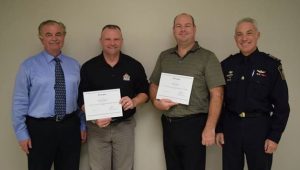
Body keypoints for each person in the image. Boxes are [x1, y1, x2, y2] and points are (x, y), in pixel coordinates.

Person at [149, 13, 225, 170]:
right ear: (173, 30)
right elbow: (153, 85)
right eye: (178, 26)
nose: (183, 29)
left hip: (195, 125)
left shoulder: (208, 57)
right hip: (169, 124)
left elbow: (217, 94)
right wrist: (157, 103)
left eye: (187, 25)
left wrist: (210, 127)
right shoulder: (165, 56)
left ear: (194, 29)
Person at [216, 17, 290, 170]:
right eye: (239, 34)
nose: (244, 38)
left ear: (258, 35)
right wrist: (219, 129)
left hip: (260, 130)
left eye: (249, 33)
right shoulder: (226, 65)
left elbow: (282, 106)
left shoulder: (271, 65)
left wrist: (274, 136)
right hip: (231, 129)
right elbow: (220, 101)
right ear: (235, 38)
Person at [12, 20, 86, 170]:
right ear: (41, 38)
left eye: (58, 34)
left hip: (70, 127)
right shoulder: (28, 66)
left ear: (64, 36)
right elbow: (19, 101)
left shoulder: (75, 65)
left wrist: (83, 125)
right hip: (39, 129)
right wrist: (21, 134)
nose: (54, 38)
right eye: (48, 34)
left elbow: (80, 98)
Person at [78, 24, 149, 170]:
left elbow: (145, 93)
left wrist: (134, 101)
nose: (112, 43)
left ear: (121, 41)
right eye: (108, 39)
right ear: (101, 41)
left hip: (124, 126)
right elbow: (80, 99)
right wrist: (94, 116)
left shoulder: (134, 65)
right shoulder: (88, 67)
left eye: (116, 39)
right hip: (96, 128)